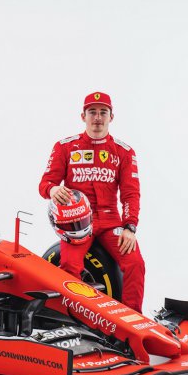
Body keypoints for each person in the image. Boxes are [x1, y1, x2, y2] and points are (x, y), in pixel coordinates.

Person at [39, 92, 146, 313]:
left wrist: (130, 227)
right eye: (92, 112)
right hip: (76, 222)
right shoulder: (65, 147)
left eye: (103, 112)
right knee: (69, 267)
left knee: (135, 263)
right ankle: (74, 319)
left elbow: (130, 194)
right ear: (83, 116)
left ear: (111, 117)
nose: (97, 117)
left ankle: (132, 321)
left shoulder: (124, 152)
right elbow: (45, 184)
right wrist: (53, 189)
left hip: (111, 221)